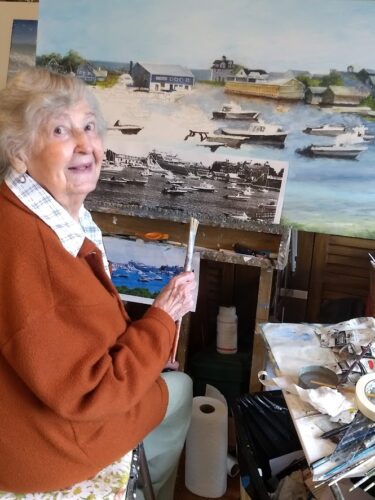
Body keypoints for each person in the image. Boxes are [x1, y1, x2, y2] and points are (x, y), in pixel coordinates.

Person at [0, 68, 197, 499]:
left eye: (89, 126)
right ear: (19, 152)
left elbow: (79, 334)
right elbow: (90, 393)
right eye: (60, 130)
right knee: (180, 390)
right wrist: (163, 319)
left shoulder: (41, 214)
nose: (86, 144)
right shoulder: (30, 250)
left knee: (161, 376)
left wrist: (147, 352)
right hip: (45, 444)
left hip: (32, 416)